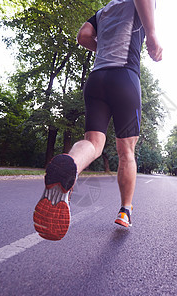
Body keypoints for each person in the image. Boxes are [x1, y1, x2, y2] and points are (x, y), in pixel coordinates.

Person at [33, 0, 162, 241]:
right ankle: (125, 210)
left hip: (96, 79)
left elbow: (83, 36)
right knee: (126, 151)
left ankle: (69, 165)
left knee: (93, 142)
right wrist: (152, 35)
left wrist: (103, 49)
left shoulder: (103, 12)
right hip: (125, 76)